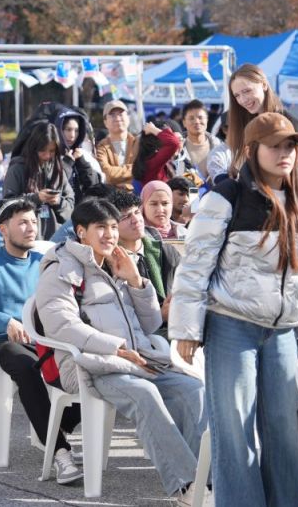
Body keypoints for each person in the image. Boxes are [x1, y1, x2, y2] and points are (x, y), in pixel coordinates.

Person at [169, 112, 298, 507]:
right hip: (231, 325)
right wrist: (187, 330)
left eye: (291, 145)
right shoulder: (226, 196)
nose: (285, 153)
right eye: (275, 146)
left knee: (286, 434)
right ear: (252, 150)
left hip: (284, 331)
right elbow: (195, 265)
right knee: (234, 432)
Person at [36, 199, 206, 506]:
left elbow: (150, 324)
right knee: (145, 394)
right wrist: (116, 348)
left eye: (114, 227)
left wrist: (136, 281)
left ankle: (207, 479)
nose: (110, 234)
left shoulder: (116, 261)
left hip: (138, 359)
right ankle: (187, 487)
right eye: (101, 227)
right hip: (88, 365)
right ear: (81, 231)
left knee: (192, 389)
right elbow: (61, 326)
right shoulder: (61, 267)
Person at [0, 198, 83, 484]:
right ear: (3, 229)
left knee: (88, 363)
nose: (31, 228)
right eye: (22, 222)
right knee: (27, 367)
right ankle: (60, 453)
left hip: (46, 342)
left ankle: (55, 427)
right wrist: (6, 321)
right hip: (6, 344)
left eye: (34, 222)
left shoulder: (43, 262)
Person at [107, 188, 181, 336]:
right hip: (140, 337)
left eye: (137, 212)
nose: (136, 220)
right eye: (125, 217)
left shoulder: (167, 252)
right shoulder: (111, 262)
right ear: (112, 226)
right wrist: (160, 315)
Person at [212, 64, 287, 182]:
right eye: (237, 95)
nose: (243, 100)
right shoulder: (244, 123)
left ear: (264, 85)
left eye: (247, 91)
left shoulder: (285, 123)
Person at [2, 123, 74, 241]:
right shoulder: (17, 169)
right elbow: (6, 205)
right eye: (42, 150)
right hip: (24, 240)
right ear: (33, 147)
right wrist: (36, 198)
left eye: (52, 151)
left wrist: (58, 201)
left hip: (54, 239)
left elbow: (70, 206)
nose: (47, 155)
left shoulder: (57, 170)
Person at [57, 112, 103, 203]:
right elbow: (56, 185)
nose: (72, 135)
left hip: (81, 208)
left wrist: (82, 163)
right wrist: (68, 162)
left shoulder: (83, 154)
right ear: (59, 130)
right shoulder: (51, 155)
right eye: (68, 130)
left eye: (76, 130)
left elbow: (94, 186)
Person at [95, 100, 137, 190]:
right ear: (105, 122)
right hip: (112, 195)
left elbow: (143, 169)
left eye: (121, 114)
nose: (117, 118)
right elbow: (107, 173)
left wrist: (115, 174)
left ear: (128, 118)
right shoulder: (101, 147)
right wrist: (132, 169)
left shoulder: (138, 143)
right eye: (112, 115)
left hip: (136, 194)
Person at [131, 122, 183, 192]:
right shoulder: (152, 163)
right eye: (167, 135)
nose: (171, 136)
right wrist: (152, 129)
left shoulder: (161, 162)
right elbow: (173, 143)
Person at [181, 100, 221, 183]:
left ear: (207, 120)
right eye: (191, 118)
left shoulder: (220, 147)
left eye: (200, 117)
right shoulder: (178, 149)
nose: (196, 121)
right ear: (184, 122)